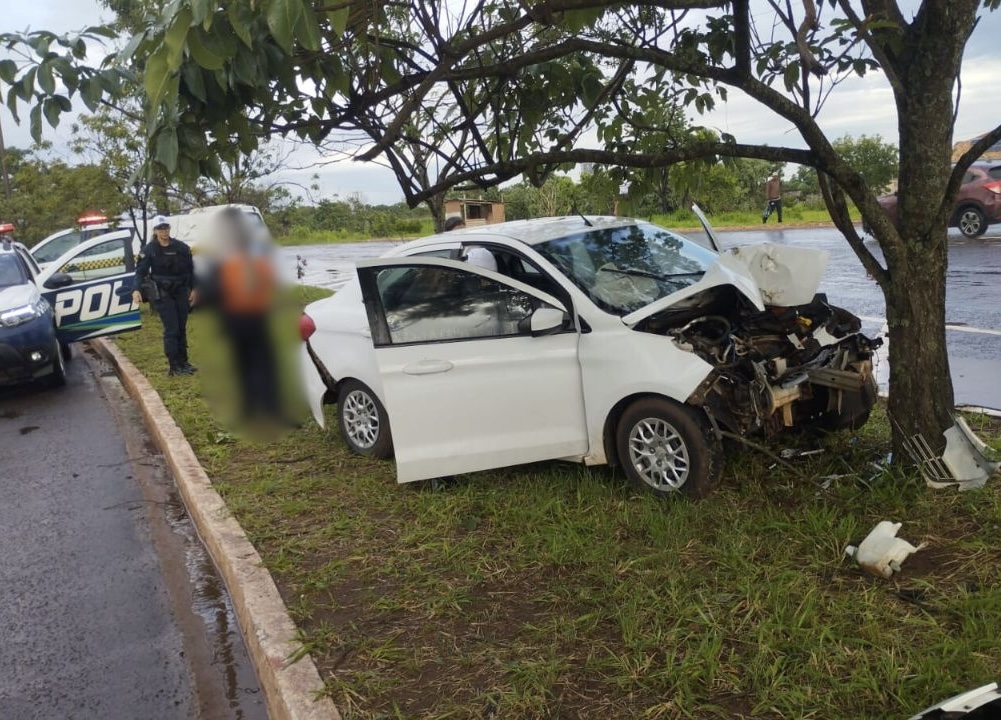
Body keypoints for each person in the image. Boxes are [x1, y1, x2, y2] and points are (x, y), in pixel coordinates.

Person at [132, 216, 198, 376]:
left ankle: (184, 363)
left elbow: (191, 270)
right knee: (172, 329)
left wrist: (195, 289)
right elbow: (140, 272)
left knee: (181, 328)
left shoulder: (181, 247)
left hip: (181, 291)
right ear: (155, 231)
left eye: (166, 228)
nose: (164, 231)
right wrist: (136, 289)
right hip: (163, 293)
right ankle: (174, 366)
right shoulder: (149, 250)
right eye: (160, 229)